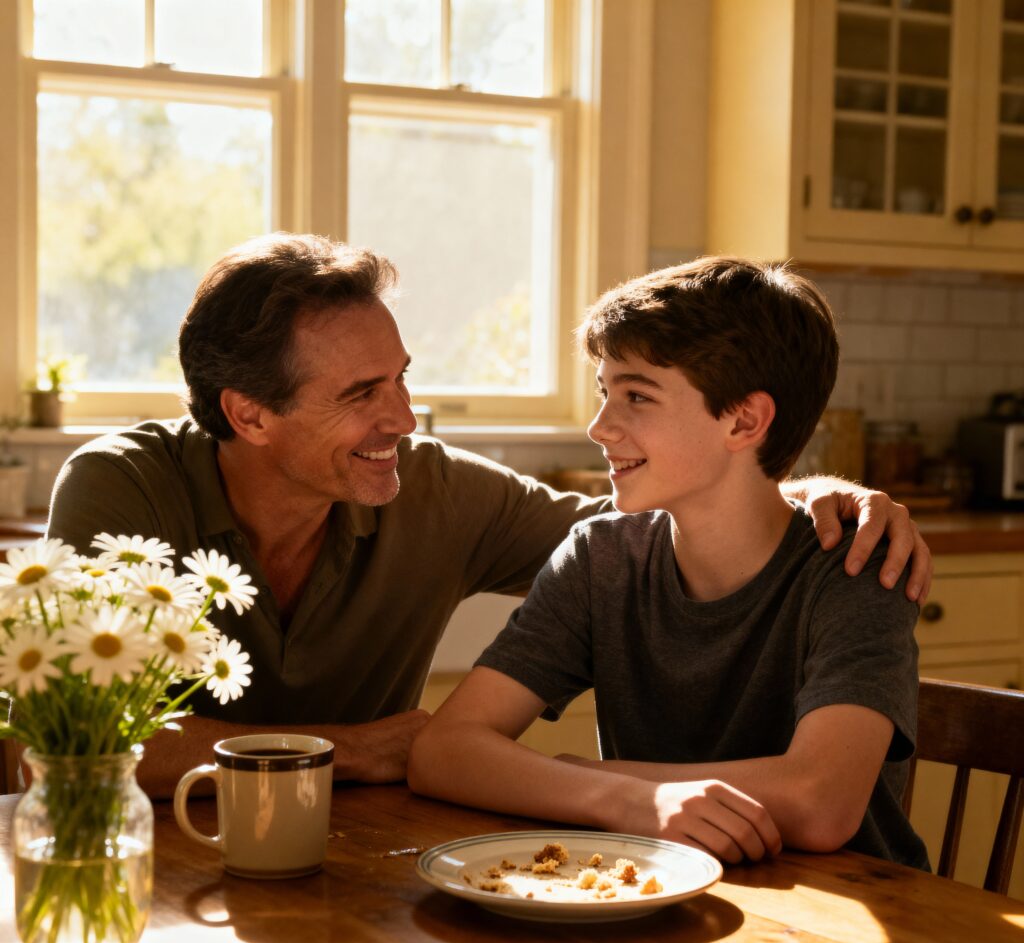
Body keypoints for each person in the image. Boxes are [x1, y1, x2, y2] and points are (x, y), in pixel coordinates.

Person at [47, 235, 931, 800]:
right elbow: (57, 746)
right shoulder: (123, 490)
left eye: (402, 377)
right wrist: (353, 751)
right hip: (160, 848)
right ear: (249, 415)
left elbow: (676, 514)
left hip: (364, 857)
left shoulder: (435, 489)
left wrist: (809, 490)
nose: (401, 418)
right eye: (363, 393)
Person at [407, 256, 930, 869]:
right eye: (605, 392)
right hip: (664, 894)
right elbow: (442, 753)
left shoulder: (856, 567)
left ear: (744, 420)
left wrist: (582, 777)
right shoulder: (601, 556)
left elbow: (819, 803)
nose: (600, 427)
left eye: (636, 396)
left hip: (844, 915)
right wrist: (631, 801)